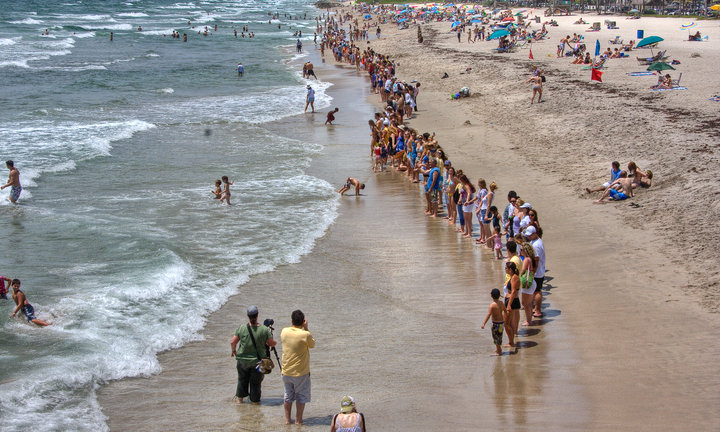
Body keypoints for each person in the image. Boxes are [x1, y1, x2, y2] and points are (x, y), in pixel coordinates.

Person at [230, 306, 276, 404]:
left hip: (242, 361)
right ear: (257, 315)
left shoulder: (241, 328)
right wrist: (274, 341)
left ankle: (240, 402)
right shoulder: (264, 329)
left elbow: (233, 342)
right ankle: (255, 403)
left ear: (248, 316)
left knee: (241, 381)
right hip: (258, 362)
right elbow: (271, 343)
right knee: (256, 383)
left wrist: (234, 351)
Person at [281, 309, 315, 425]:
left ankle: (287, 420)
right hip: (300, 372)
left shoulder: (284, 332)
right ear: (303, 322)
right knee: (301, 397)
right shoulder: (305, 334)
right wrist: (306, 328)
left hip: (286, 371)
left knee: (288, 396)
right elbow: (312, 344)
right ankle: (298, 420)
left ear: (291, 321)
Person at [523, 226, 546, 318]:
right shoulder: (537, 241)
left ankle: (537, 310)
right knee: (536, 290)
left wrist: (533, 271)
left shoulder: (536, 245)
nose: (528, 237)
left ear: (534, 233)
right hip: (539, 270)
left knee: (537, 291)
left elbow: (536, 259)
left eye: (530, 235)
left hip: (537, 272)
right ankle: (535, 308)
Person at [481, 288, 508, 356]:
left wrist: (484, 323)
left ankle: (499, 351)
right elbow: (505, 311)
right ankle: (498, 349)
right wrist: (505, 319)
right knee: (499, 336)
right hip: (501, 323)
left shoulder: (492, 305)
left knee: (495, 337)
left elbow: (489, 315)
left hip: (495, 324)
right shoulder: (502, 303)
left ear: (491, 295)